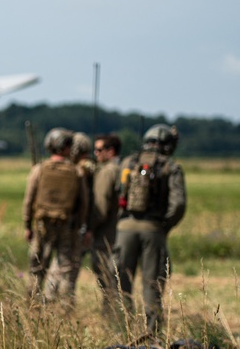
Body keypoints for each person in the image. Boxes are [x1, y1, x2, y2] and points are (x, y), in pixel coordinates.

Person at [113, 124, 186, 336]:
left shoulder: (128, 162)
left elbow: (117, 193)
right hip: (153, 230)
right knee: (152, 284)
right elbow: (178, 204)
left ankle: (121, 329)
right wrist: (164, 225)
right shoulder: (170, 167)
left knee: (121, 282)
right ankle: (151, 332)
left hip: (124, 228)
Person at [22, 127, 89, 305]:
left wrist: (27, 226)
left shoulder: (39, 169)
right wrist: (80, 226)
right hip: (67, 226)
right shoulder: (77, 171)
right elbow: (83, 203)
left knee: (37, 267)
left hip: (42, 225)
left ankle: (33, 303)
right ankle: (59, 305)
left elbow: (29, 200)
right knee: (63, 267)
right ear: (66, 147)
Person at [91, 133, 122, 318]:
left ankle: (110, 314)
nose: (95, 153)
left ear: (111, 151)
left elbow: (100, 207)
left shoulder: (107, 171)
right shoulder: (125, 168)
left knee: (106, 277)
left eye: (99, 149)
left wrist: (89, 227)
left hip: (106, 233)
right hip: (121, 231)